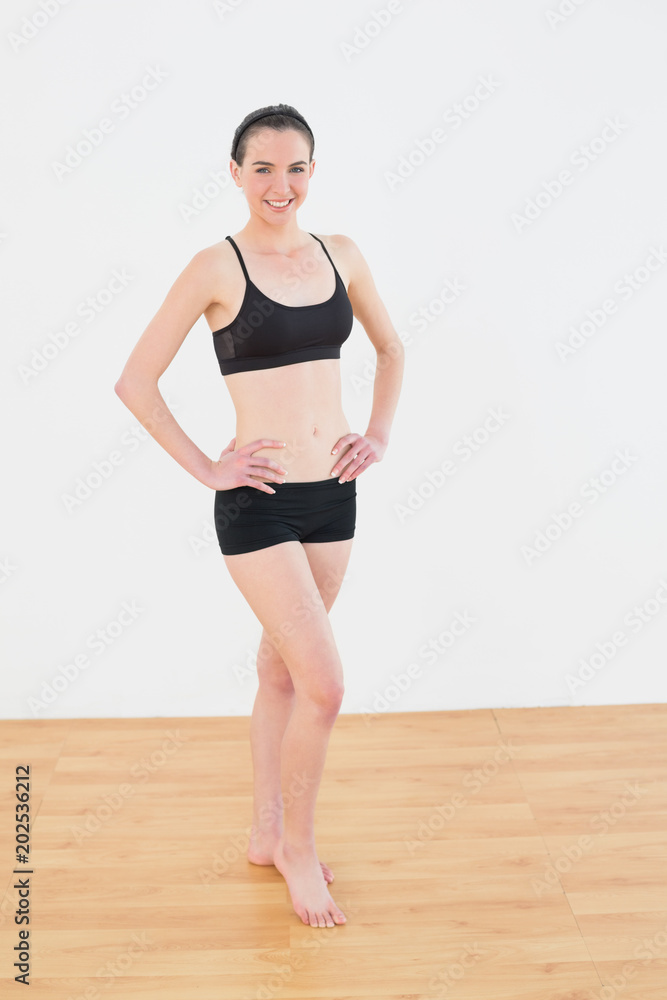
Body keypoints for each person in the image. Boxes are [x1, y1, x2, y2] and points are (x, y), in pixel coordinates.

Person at [114, 103, 404, 928]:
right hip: (260, 504)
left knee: (280, 673)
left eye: (298, 167)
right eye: (265, 168)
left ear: (314, 172)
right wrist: (210, 467)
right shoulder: (216, 265)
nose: (283, 185)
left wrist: (376, 433)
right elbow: (135, 380)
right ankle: (298, 850)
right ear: (236, 173)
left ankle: (264, 828)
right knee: (326, 684)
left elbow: (393, 349)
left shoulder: (340, 254)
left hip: (333, 496)